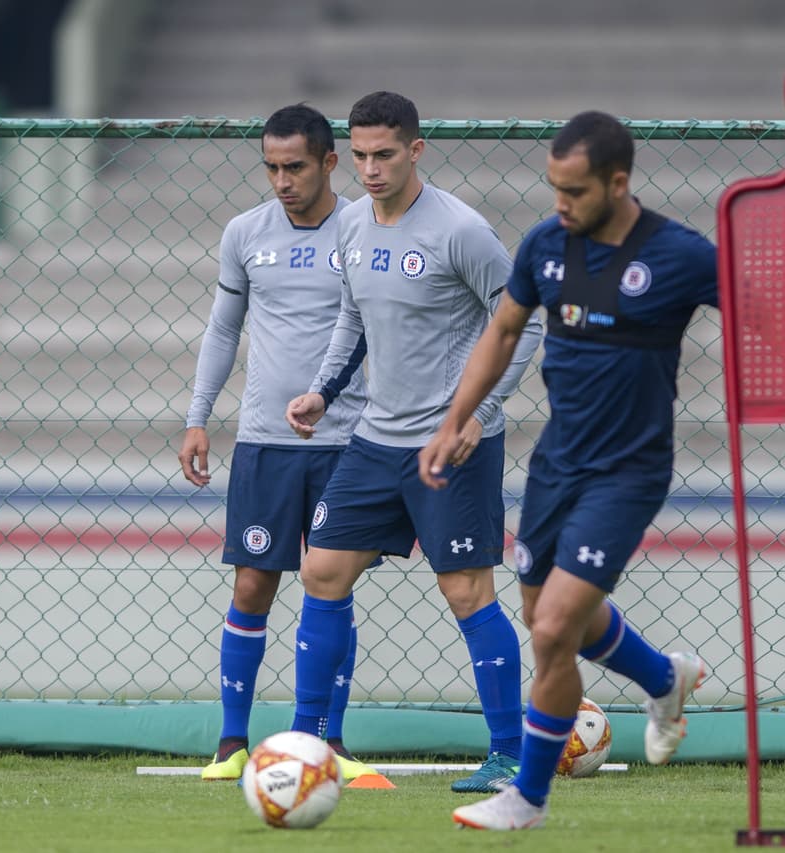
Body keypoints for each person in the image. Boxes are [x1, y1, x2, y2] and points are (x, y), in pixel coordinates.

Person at [421, 110, 718, 829]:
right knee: (552, 621)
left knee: (552, 628)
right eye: (554, 188)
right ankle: (664, 677)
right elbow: (504, 329)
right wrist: (458, 416)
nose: (561, 204)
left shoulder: (681, 255)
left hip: (629, 471)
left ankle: (526, 796)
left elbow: (765, 318)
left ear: (619, 183)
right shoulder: (546, 244)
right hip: (557, 463)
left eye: (576, 191)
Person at [284, 90, 545, 794]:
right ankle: (312, 744)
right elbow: (352, 316)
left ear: (415, 150)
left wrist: (472, 415)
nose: (369, 169)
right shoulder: (351, 225)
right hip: (375, 439)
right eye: (360, 155)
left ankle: (508, 752)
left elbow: (524, 324)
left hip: (451, 442)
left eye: (384, 155)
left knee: (466, 591)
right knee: (322, 571)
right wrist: (322, 390)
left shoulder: (460, 229)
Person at [178, 103, 376, 782]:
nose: (282, 180)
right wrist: (197, 416)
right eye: (271, 167)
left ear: (328, 162)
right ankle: (232, 740)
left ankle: (328, 739)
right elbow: (223, 329)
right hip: (264, 442)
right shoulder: (245, 234)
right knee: (254, 581)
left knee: (332, 588)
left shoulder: (364, 229)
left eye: (295, 166)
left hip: (347, 441)